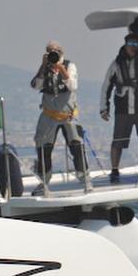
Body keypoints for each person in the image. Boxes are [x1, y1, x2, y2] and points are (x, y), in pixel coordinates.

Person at [30, 40, 87, 194]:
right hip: (49, 115)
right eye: (49, 51)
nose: (52, 53)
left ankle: (84, 178)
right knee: (43, 146)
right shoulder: (45, 68)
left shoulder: (69, 66)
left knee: (76, 145)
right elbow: (35, 85)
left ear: (62, 52)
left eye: (55, 51)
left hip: (68, 115)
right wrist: (43, 66)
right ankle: (44, 181)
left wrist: (60, 68)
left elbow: (72, 86)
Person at [100, 32, 138, 183]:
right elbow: (106, 86)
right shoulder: (116, 64)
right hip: (123, 109)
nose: (133, 47)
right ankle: (115, 170)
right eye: (130, 44)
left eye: (136, 44)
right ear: (126, 45)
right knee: (118, 141)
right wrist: (104, 107)